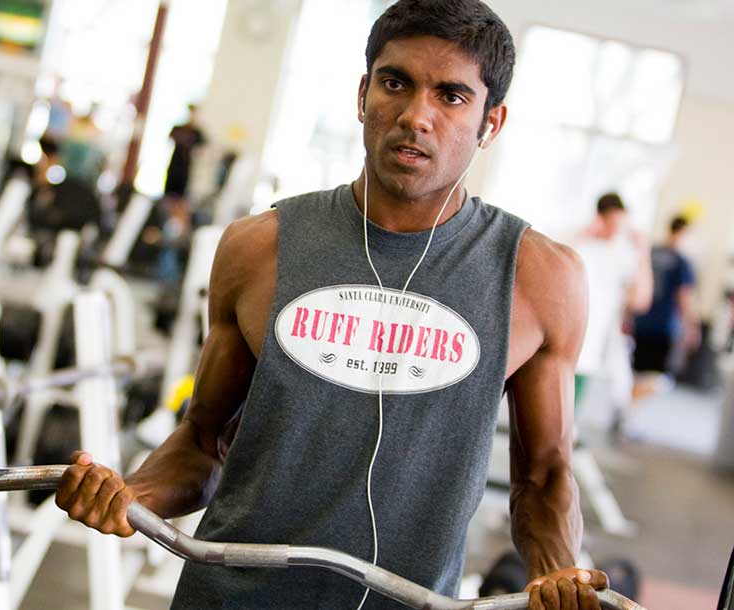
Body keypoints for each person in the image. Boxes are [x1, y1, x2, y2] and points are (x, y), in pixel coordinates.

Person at [56, 2, 609, 609]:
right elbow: (202, 442)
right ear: (362, 93)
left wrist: (559, 572)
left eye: (450, 96)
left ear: (490, 123)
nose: (416, 115)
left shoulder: (539, 278)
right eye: (395, 83)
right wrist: (129, 495)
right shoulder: (258, 247)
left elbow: (545, 476)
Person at [572, 194, 653, 421]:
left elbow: (640, 301)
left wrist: (643, 254)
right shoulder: (579, 245)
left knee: (568, 416)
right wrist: (582, 235)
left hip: (592, 348)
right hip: (564, 336)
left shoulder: (624, 255)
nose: (616, 230)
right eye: (612, 223)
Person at [631, 215, 699, 387]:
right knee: (659, 379)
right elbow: (684, 297)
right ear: (683, 232)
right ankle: (626, 406)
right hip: (663, 326)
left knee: (637, 372)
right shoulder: (682, 261)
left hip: (640, 321)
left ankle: (626, 405)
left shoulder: (652, 253)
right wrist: (691, 326)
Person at [163, 103, 206, 198]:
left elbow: (202, 150)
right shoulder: (179, 128)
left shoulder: (198, 133)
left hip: (185, 168)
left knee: (180, 195)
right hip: (174, 165)